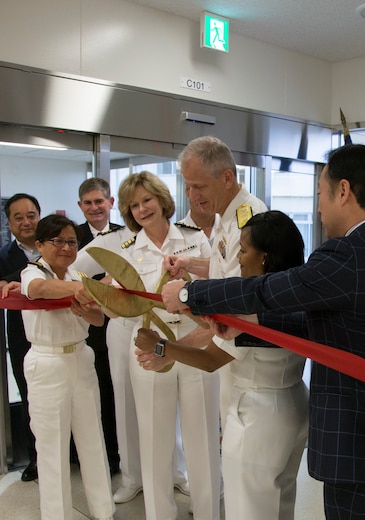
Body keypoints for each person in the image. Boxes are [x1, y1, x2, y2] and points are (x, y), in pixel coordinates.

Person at [161, 144, 365, 519]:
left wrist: (190, 292)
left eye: (321, 194)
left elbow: (267, 289)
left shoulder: (349, 254)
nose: (319, 207)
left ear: (344, 191)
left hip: (361, 448)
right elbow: (326, 324)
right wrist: (244, 329)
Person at [136, 210, 309, 520]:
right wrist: (188, 306)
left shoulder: (252, 303)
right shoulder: (296, 292)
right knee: (280, 503)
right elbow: (219, 326)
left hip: (257, 416)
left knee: (247, 509)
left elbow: (209, 359)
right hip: (294, 405)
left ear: (265, 257)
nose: (238, 257)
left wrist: (160, 346)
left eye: (243, 249)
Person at [104, 171, 221, 519]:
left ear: (161, 200)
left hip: (195, 341)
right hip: (148, 346)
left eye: (147, 200)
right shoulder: (126, 249)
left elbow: (219, 279)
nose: (142, 209)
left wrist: (187, 277)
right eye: (134, 205)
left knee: (201, 435)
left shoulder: (193, 238)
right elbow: (114, 303)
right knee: (154, 438)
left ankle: (207, 511)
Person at [4, 214, 114, 520]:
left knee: (92, 438)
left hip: (81, 358)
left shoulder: (77, 276)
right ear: (40, 244)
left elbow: (97, 319)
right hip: (47, 362)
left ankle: (103, 510)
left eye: (72, 242)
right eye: (58, 241)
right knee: (51, 447)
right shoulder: (31, 271)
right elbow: (39, 289)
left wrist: (86, 302)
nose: (66, 248)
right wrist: (88, 291)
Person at [165, 135, 268, 432]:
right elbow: (222, 271)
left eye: (199, 186)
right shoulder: (226, 218)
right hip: (235, 366)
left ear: (226, 178)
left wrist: (170, 348)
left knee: (245, 472)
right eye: (187, 186)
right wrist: (188, 264)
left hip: (252, 370)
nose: (192, 195)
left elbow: (236, 300)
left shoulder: (248, 221)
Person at [75, 178, 121, 475]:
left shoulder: (127, 234)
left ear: (111, 203)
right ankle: (90, 458)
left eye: (99, 201)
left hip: (119, 327)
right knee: (91, 396)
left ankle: (118, 459)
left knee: (116, 395)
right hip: (84, 327)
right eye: (88, 203)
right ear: (80, 206)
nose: (94, 208)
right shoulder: (70, 236)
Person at [0, 193, 40, 482]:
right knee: (30, 399)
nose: (26, 222)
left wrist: (18, 278)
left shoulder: (56, 247)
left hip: (64, 335)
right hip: (22, 339)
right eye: (19, 217)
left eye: (31, 215)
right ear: (9, 223)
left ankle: (73, 454)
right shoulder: (2, 256)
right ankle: (36, 459)